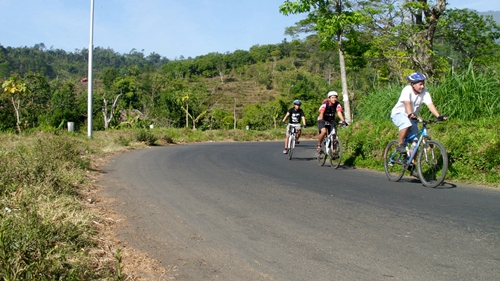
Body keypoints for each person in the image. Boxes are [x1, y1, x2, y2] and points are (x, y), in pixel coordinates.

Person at [390, 72, 447, 155]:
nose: (422, 86)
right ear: (413, 84)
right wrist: (410, 114)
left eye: (423, 84)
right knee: (406, 123)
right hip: (399, 114)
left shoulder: (425, 92)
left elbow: (430, 105)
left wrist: (439, 116)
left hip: (411, 117)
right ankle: (400, 145)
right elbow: (407, 103)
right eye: (420, 84)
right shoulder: (407, 89)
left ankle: (411, 164)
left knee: (415, 143)